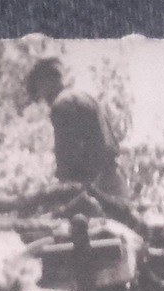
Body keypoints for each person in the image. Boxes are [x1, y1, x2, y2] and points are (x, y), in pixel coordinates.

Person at [24, 57, 128, 199]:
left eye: (38, 90)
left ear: (46, 82)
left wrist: (63, 190)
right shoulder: (86, 97)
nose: (41, 97)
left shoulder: (61, 104)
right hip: (114, 178)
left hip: (97, 185)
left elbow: (67, 156)